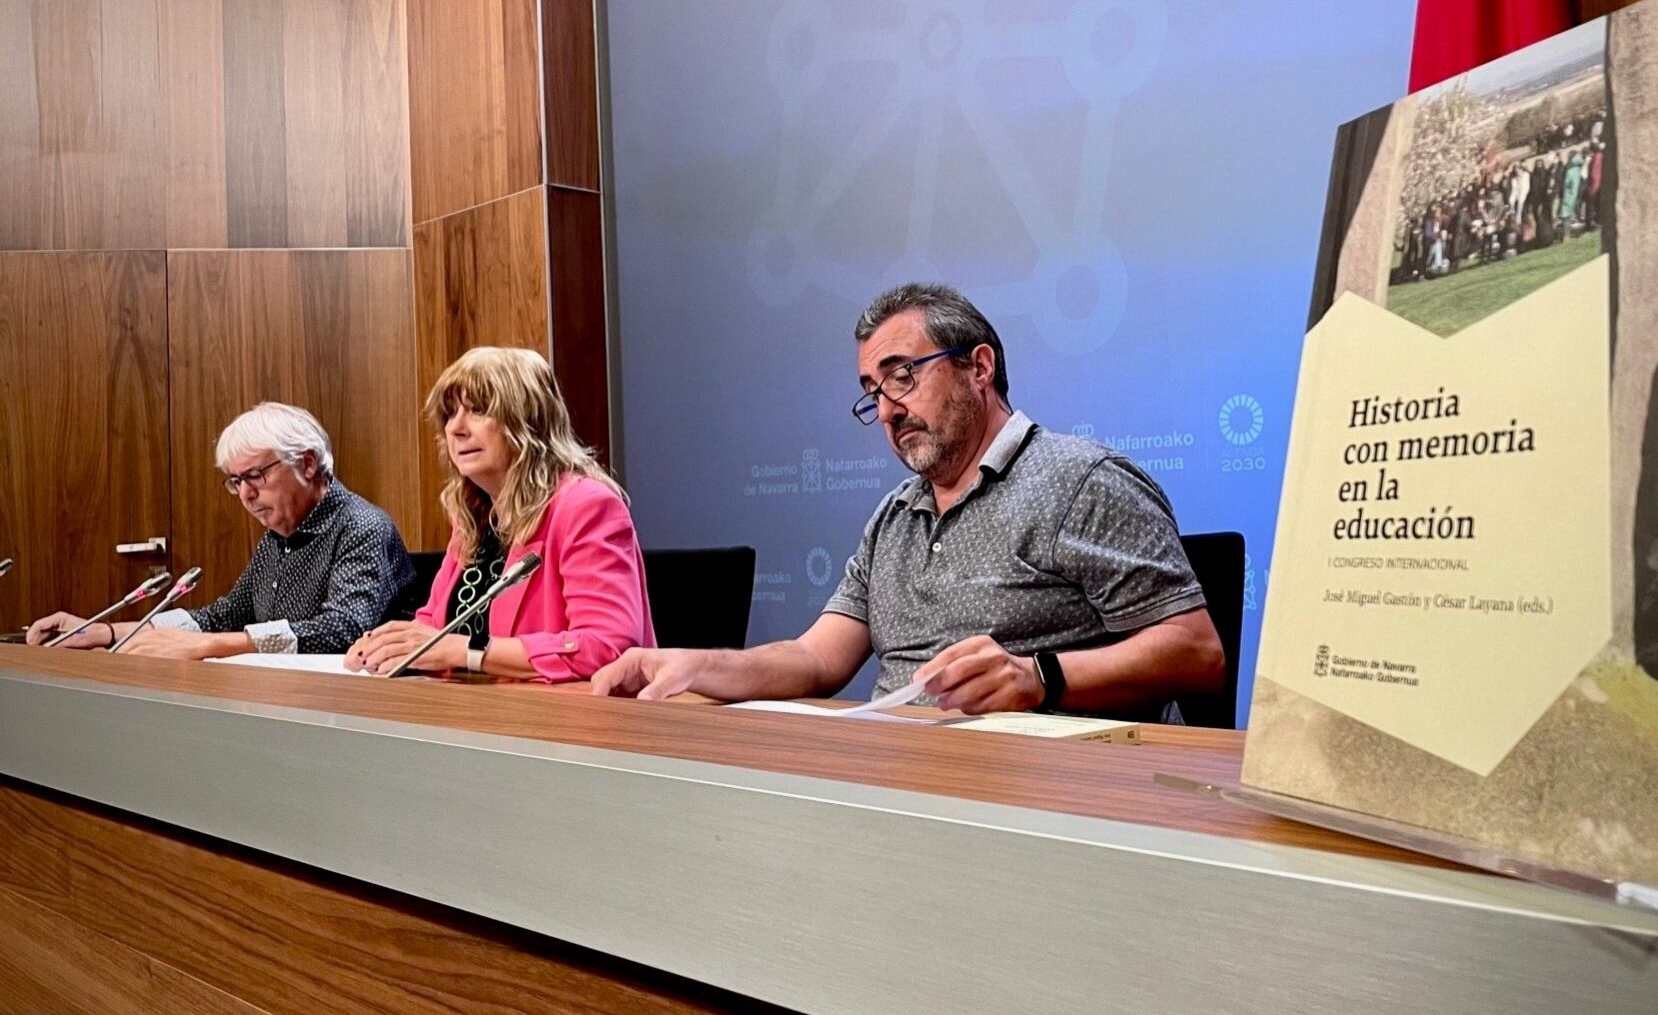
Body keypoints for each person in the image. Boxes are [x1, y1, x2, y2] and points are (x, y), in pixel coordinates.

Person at [590, 284, 1223, 716]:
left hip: (1037, 793)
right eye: (873, 390)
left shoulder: (1081, 480)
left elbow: (1197, 654)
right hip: (900, 777)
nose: (888, 409)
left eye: (903, 375)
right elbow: (815, 659)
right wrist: (695, 667)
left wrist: (1037, 677)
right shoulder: (894, 515)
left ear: (979, 367)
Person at [345, 347, 655, 679]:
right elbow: (436, 626)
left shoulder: (586, 505)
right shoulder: (473, 517)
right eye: (449, 415)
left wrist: (464, 650)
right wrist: (390, 645)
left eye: (477, 411)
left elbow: (607, 646)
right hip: (476, 715)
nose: (456, 429)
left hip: (567, 720)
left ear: (527, 420)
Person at [25, 403, 414, 658]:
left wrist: (207, 647)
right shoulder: (278, 536)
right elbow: (226, 614)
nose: (245, 494)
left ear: (308, 464)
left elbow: (342, 631)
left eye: (256, 476)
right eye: (235, 481)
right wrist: (108, 633)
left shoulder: (362, 526)